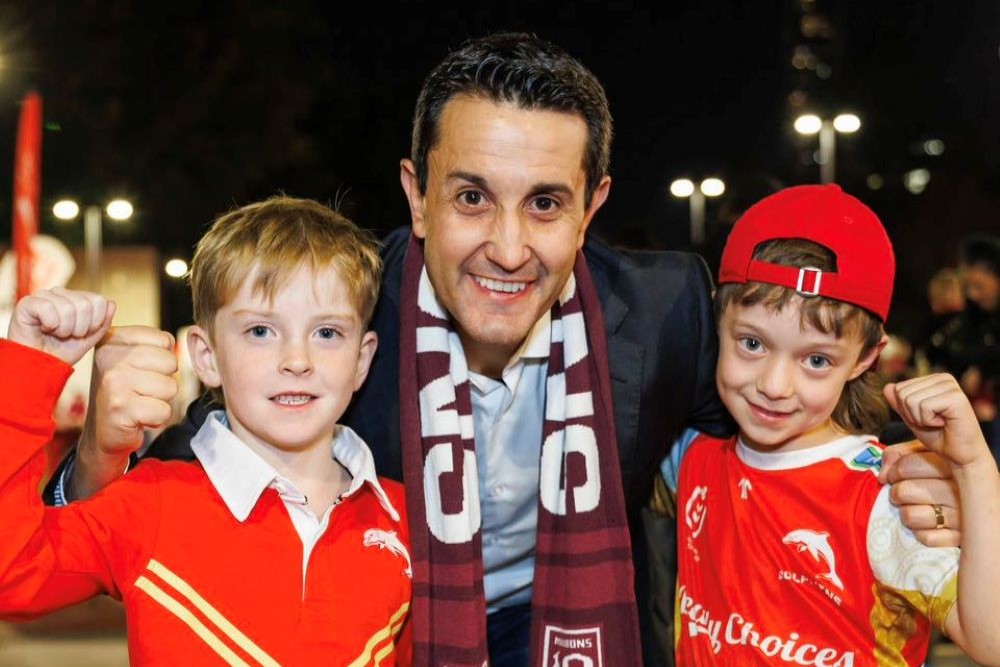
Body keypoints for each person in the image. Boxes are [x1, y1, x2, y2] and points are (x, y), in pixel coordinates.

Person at [49, 33, 961, 667]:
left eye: (546, 203)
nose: (510, 247)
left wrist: (913, 474)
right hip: (397, 630)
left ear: (593, 203)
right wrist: (97, 451)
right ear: (415, 194)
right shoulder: (328, 311)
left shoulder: (666, 307)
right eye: (472, 197)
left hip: (584, 630)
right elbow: (139, 504)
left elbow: (780, 418)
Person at [1, 197, 412, 665]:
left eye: (327, 333)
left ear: (362, 360)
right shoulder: (151, 503)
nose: (297, 360)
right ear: (206, 356)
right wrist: (29, 369)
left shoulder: (403, 518)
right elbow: (12, 574)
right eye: (260, 331)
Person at [668, 185, 1000, 665]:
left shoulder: (885, 494)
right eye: (753, 344)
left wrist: (974, 469)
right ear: (718, 317)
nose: (775, 385)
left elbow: (990, 642)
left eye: (817, 359)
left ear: (866, 358)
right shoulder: (689, 456)